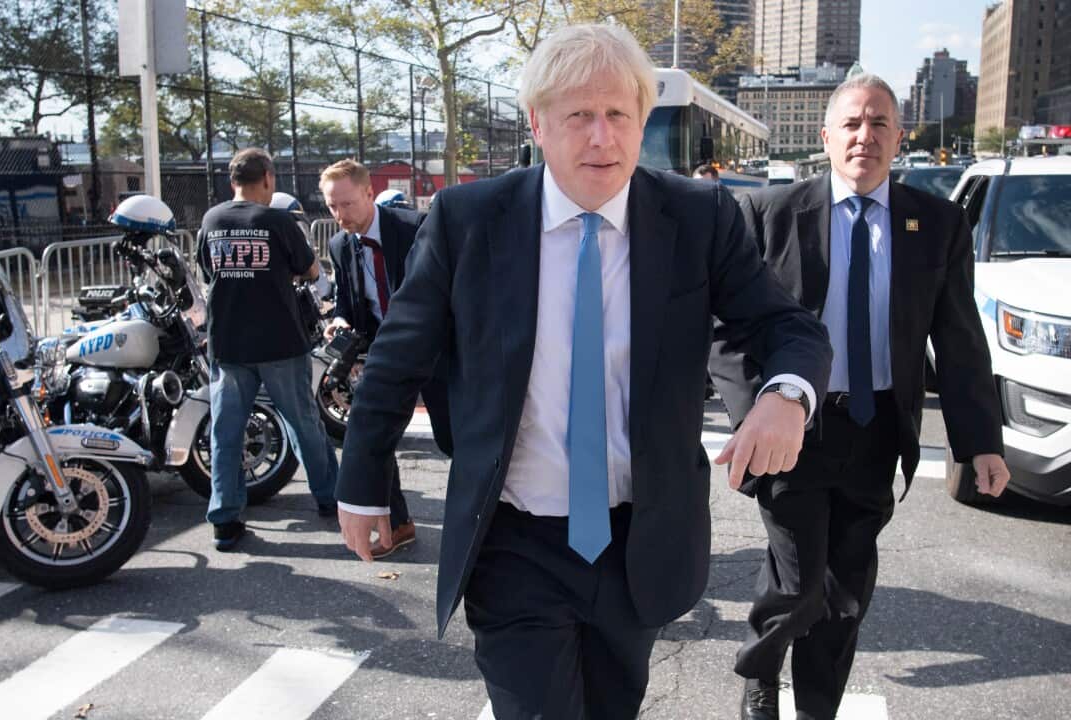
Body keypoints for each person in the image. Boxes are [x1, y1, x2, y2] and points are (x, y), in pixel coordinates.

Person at [334, 24, 832, 719]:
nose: (602, 138)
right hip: (513, 543)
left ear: (640, 120)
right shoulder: (469, 219)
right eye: (578, 117)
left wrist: (786, 395)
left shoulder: (697, 217)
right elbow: (398, 356)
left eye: (618, 115)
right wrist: (361, 486)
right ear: (537, 124)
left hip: (640, 540)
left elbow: (788, 327)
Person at [708, 74, 1010, 720]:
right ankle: (759, 673)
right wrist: (753, 414)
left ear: (899, 138)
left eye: (878, 124)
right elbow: (726, 330)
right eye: (851, 124)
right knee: (797, 582)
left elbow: (959, 342)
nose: (864, 136)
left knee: (846, 594)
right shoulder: (771, 215)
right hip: (796, 431)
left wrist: (980, 443)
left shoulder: (937, 226)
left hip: (876, 434)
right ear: (825, 138)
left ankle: (818, 708)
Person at [198, 148, 338, 551]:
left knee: (225, 432)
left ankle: (224, 520)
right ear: (269, 179)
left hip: (228, 343)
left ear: (233, 182)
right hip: (280, 340)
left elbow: (208, 271)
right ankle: (330, 498)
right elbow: (310, 269)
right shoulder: (277, 221)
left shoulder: (212, 220)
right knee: (302, 422)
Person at [319, 159, 454, 559]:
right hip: (385, 354)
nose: (339, 215)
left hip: (438, 350)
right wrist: (340, 321)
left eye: (346, 204)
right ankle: (396, 524)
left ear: (368, 193)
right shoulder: (339, 245)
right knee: (373, 435)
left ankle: (484, 524)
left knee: (456, 439)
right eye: (331, 207)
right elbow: (347, 299)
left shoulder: (415, 228)